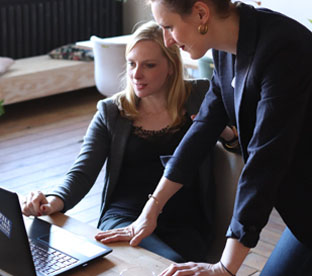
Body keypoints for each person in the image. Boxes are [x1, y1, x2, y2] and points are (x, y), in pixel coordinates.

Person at [97, 1, 312, 276]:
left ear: (201, 13)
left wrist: (225, 268)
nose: (167, 40)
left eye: (169, 27)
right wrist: (151, 210)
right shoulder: (227, 50)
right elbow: (201, 131)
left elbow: (265, 162)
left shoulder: (283, 48)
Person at [22, 20, 237, 263]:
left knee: (169, 262)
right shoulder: (112, 112)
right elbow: (82, 171)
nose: (136, 74)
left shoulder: (201, 95)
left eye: (149, 65)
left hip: (185, 222)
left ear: (171, 67)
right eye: (132, 64)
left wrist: (225, 133)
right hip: (124, 218)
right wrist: (53, 201)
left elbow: (241, 145)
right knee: (156, 263)